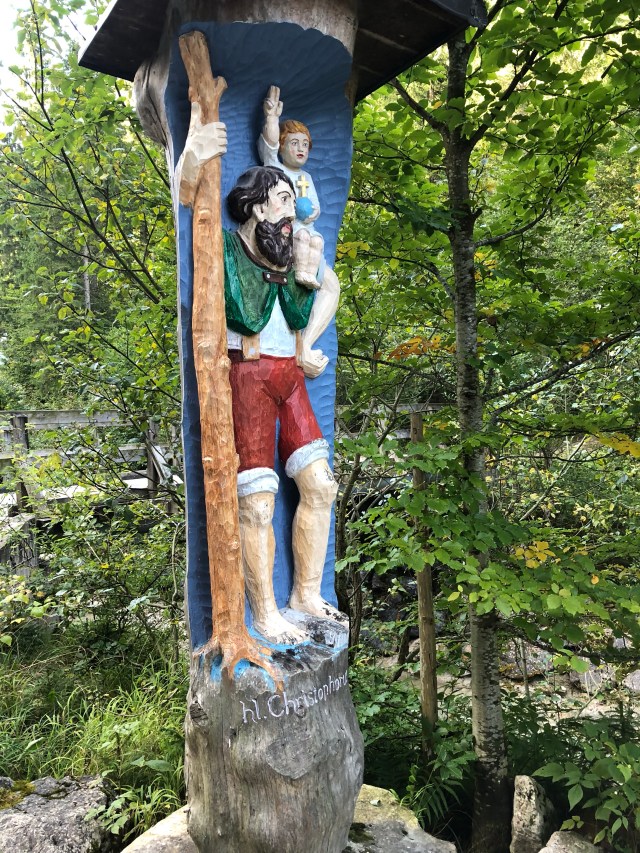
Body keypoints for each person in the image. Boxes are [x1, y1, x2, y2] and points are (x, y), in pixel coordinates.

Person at [178, 104, 343, 644]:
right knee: (256, 499)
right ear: (254, 207)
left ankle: (306, 594)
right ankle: (265, 611)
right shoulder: (227, 246)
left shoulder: (291, 256)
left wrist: (307, 334)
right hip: (246, 376)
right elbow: (188, 201)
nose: (291, 213)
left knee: (320, 485)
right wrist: (192, 157)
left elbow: (317, 301)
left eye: (292, 203)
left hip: (289, 377)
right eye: (282, 201)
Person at [258, 85, 324, 290]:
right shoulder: (277, 168)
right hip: (286, 224)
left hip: (306, 224)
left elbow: (315, 203)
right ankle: (300, 271)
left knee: (317, 242)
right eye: (294, 143)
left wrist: (313, 212)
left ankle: (311, 274)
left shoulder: (306, 177)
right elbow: (269, 149)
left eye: (304, 144)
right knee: (302, 237)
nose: (300, 149)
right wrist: (272, 118)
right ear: (282, 147)